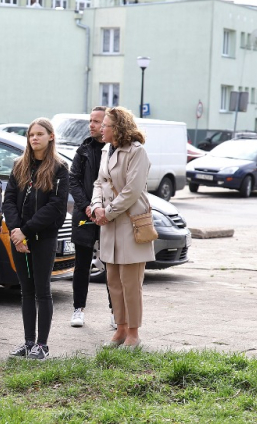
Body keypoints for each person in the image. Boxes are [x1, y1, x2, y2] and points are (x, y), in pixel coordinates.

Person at [3, 118, 69, 360]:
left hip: (43, 238)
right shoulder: (20, 165)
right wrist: (15, 230)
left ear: (51, 136)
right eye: (31, 135)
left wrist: (26, 231)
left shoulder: (59, 168)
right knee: (26, 291)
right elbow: (8, 200)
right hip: (19, 237)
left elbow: (55, 207)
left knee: (43, 291)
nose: (34, 138)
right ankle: (28, 342)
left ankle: (42, 345)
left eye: (40, 134)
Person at [91, 107, 155, 349]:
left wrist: (107, 213)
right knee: (114, 281)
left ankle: (133, 334)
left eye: (105, 125)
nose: (100, 128)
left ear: (117, 128)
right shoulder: (107, 151)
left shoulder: (137, 152)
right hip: (110, 224)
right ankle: (119, 330)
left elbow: (132, 190)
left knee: (131, 284)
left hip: (130, 224)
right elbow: (99, 182)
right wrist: (97, 206)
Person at [68, 106, 114, 328]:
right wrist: (87, 206)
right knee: (82, 264)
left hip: (110, 215)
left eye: (97, 121)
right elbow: (73, 180)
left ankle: (116, 312)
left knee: (111, 266)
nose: (92, 125)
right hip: (85, 215)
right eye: (91, 121)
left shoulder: (116, 150)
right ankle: (78, 309)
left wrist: (106, 209)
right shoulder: (83, 150)